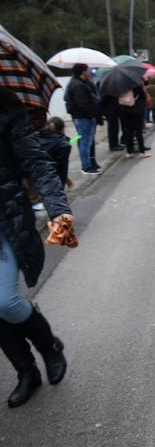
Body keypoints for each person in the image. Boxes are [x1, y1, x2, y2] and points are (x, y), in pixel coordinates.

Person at [0, 89, 73, 408]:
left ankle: (48, 347)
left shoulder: (6, 111)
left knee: (4, 300)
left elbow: (37, 163)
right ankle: (26, 372)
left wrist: (57, 207)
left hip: (5, 219)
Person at [64, 63, 101, 175]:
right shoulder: (78, 85)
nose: (89, 72)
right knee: (85, 142)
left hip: (84, 116)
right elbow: (82, 103)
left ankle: (90, 163)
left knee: (87, 141)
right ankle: (86, 166)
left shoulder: (81, 83)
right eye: (87, 70)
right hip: (84, 117)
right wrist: (91, 114)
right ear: (83, 72)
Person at [119, 82, 150, 158]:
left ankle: (129, 152)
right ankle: (142, 152)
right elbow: (143, 96)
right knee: (138, 131)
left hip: (125, 110)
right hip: (137, 110)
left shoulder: (121, 85)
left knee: (128, 132)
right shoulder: (137, 84)